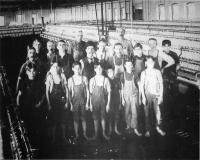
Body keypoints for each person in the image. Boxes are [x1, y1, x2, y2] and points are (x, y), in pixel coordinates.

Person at [16, 62, 45, 146]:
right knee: (27, 126)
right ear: (26, 72)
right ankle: (28, 144)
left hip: (36, 108)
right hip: (26, 108)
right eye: (30, 72)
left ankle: (36, 144)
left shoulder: (39, 82)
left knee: (36, 125)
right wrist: (18, 106)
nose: (32, 73)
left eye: (34, 71)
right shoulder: (24, 82)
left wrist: (40, 103)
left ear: (36, 72)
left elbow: (43, 95)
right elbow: (19, 95)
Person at [140, 56, 166, 137]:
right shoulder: (143, 73)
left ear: (154, 63)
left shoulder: (157, 72)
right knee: (147, 113)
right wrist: (143, 97)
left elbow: (161, 84)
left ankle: (158, 127)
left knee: (158, 113)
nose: (150, 63)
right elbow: (141, 86)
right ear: (145, 63)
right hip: (147, 95)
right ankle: (147, 130)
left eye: (152, 62)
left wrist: (161, 96)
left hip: (156, 95)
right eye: (148, 62)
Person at [46, 62, 69, 144]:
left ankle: (63, 137)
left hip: (61, 101)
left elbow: (66, 90)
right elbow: (47, 92)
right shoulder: (50, 77)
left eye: (57, 67)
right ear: (51, 68)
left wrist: (67, 101)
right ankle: (53, 138)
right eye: (54, 67)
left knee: (63, 120)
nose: (55, 68)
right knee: (54, 120)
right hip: (53, 102)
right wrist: (48, 104)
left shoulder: (62, 76)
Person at [68, 62, 90, 141]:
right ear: (72, 69)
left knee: (84, 118)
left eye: (79, 68)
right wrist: (70, 104)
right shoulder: (70, 80)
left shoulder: (84, 78)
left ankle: (84, 134)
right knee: (75, 119)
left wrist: (87, 102)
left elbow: (87, 91)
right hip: (75, 101)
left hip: (83, 101)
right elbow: (69, 93)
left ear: (80, 69)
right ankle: (77, 135)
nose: (77, 70)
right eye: (76, 68)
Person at [89, 63, 111, 140]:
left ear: (102, 69)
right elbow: (90, 93)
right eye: (97, 68)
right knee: (95, 118)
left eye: (100, 68)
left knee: (103, 118)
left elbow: (109, 93)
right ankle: (95, 134)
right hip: (94, 102)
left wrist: (108, 104)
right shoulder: (92, 80)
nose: (99, 70)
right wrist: (90, 104)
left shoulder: (106, 79)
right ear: (94, 69)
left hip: (103, 102)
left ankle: (104, 133)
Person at [121, 60, 141, 136]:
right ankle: (128, 125)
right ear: (125, 66)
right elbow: (122, 88)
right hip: (126, 95)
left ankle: (135, 128)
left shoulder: (135, 74)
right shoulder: (122, 75)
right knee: (127, 111)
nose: (129, 66)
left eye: (131, 65)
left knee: (134, 112)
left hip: (134, 95)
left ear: (132, 66)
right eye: (128, 65)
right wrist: (122, 98)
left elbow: (139, 85)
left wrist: (140, 97)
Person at [107, 68, 122, 135]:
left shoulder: (117, 80)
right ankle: (110, 129)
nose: (111, 73)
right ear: (107, 73)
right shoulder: (106, 80)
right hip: (109, 100)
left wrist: (120, 101)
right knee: (110, 115)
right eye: (109, 72)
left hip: (116, 99)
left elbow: (120, 91)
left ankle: (115, 129)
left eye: (112, 72)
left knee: (117, 115)